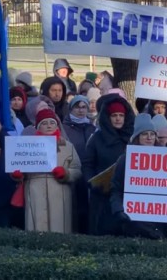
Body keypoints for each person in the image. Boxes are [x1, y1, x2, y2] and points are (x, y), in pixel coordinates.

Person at [12, 109, 82, 233]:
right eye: (44, 123)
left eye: (52, 122)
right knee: (36, 227)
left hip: (59, 192)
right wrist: (17, 174)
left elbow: (77, 169)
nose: (49, 125)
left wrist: (66, 174)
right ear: (38, 127)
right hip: (34, 190)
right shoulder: (27, 146)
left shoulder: (67, 146)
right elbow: (16, 167)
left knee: (60, 228)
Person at [83, 95, 135, 235]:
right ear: (107, 117)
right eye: (114, 115)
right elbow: (88, 164)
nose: (118, 118)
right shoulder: (97, 139)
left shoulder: (133, 139)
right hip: (102, 195)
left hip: (126, 194)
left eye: (121, 115)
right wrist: (92, 183)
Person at [110, 113, 165, 239]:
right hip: (133, 221)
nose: (149, 138)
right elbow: (116, 188)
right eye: (145, 134)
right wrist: (118, 210)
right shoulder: (125, 159)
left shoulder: (165, 159)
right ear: (137, 137)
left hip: (159, 219)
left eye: (152, 134)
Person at [63, 95, 96, 234]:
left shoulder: (92, 127)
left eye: (84, 107)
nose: (81, 110)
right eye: (77, 107)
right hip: (71, 170)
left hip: (88, 171)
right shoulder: (65, 127)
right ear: (71, 109)